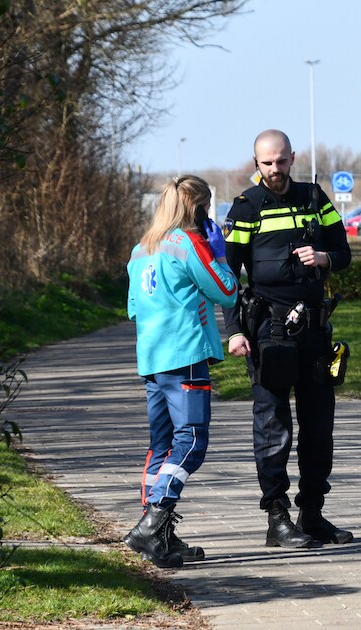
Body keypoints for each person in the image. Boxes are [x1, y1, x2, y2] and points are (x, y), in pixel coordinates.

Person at [223, 129, 353, 548]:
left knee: (319, 427)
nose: (275, 170)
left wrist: (324, 257)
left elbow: (344, 254)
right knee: (273, 426)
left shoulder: (315, 199)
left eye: (281, 161)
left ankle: (312, 514)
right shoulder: (245, 208)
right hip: (269, 331)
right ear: (255, 163)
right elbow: (228, 277)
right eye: (267, 163)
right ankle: (277, 519)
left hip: (314, 330)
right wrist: (234, 330)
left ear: (292, 158)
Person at [124, 175, 239, 568]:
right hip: (185, 353)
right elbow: (226, 291)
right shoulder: (189, 243)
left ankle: (160, 538)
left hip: (152, 358)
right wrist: (219, 256)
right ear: (200, 208)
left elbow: (133, 309)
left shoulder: (140, 249)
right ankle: (153, 522)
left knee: (161, 446)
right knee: (191, 442)